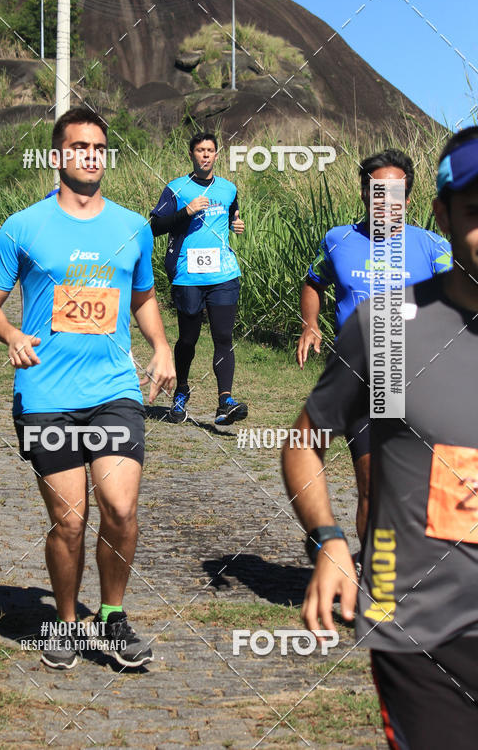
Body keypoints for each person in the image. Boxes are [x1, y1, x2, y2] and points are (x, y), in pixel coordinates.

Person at [282, 126, 478, 750]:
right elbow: (303, 438)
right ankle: (371, 562)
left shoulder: (428, 248)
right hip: (427, 632)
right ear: (447, 214)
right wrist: (330, 540)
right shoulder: (365, 286)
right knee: (383, 476)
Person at [0, 107, 175, 671]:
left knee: (119, 507)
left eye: (98, 147)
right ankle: (65, 622)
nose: (90, 155)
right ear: (57, 155)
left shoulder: (132, 226)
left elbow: (142, 298)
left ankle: (113, 617)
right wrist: (13, 334)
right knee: (70, 521)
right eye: (79, 147)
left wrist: (161, 347)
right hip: (46, 394)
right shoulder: (23, 226)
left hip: (113, 389)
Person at [297, 149, 452, 540]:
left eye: (394, 191)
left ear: (408, 197)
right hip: (362, 378)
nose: (385, 199)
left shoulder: (433, 248)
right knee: (371, 482)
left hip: (420, 381)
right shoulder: (339, 240)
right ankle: (373, 582)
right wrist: (310, 324)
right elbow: (314, 282)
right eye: (376, 190)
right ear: (364, 193)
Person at [150, 132, 248, 426]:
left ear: (217, 155)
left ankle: (225, 402)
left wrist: (236, 224)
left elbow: (232, 213)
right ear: (192, 155)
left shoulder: (228, 188)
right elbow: (155, 226)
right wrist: (186, 211)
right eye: (200, 151)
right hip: (187, 276)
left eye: (210, 151)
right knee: (189, 339)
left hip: (223, 274)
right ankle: (181, 392)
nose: (206, 155)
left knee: (223, 337)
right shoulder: (177, 188)